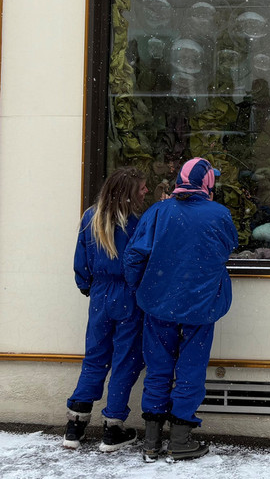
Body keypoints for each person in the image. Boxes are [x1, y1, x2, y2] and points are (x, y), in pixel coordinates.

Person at [124, 157, 238, 461]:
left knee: (158, 368)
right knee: (191, 368)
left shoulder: (158, 212)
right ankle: (180, 439)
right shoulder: (219, 215)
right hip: (201, 307)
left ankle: (151, 441)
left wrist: (141, 289)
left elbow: (134, 257)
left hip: (159, 304)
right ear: (208, 185)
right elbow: (228, 248)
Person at [64, 167, 149, 451]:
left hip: (100, 296)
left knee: (95, 356)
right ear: (129, 192)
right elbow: (143, 259)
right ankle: (113, 427)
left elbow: (81, 259)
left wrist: (86, 284)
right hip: (130, 294)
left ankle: (75, 424)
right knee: (126, 359)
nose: (145, 192)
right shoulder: (137, 221)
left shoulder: (92, 217)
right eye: (142, 188)